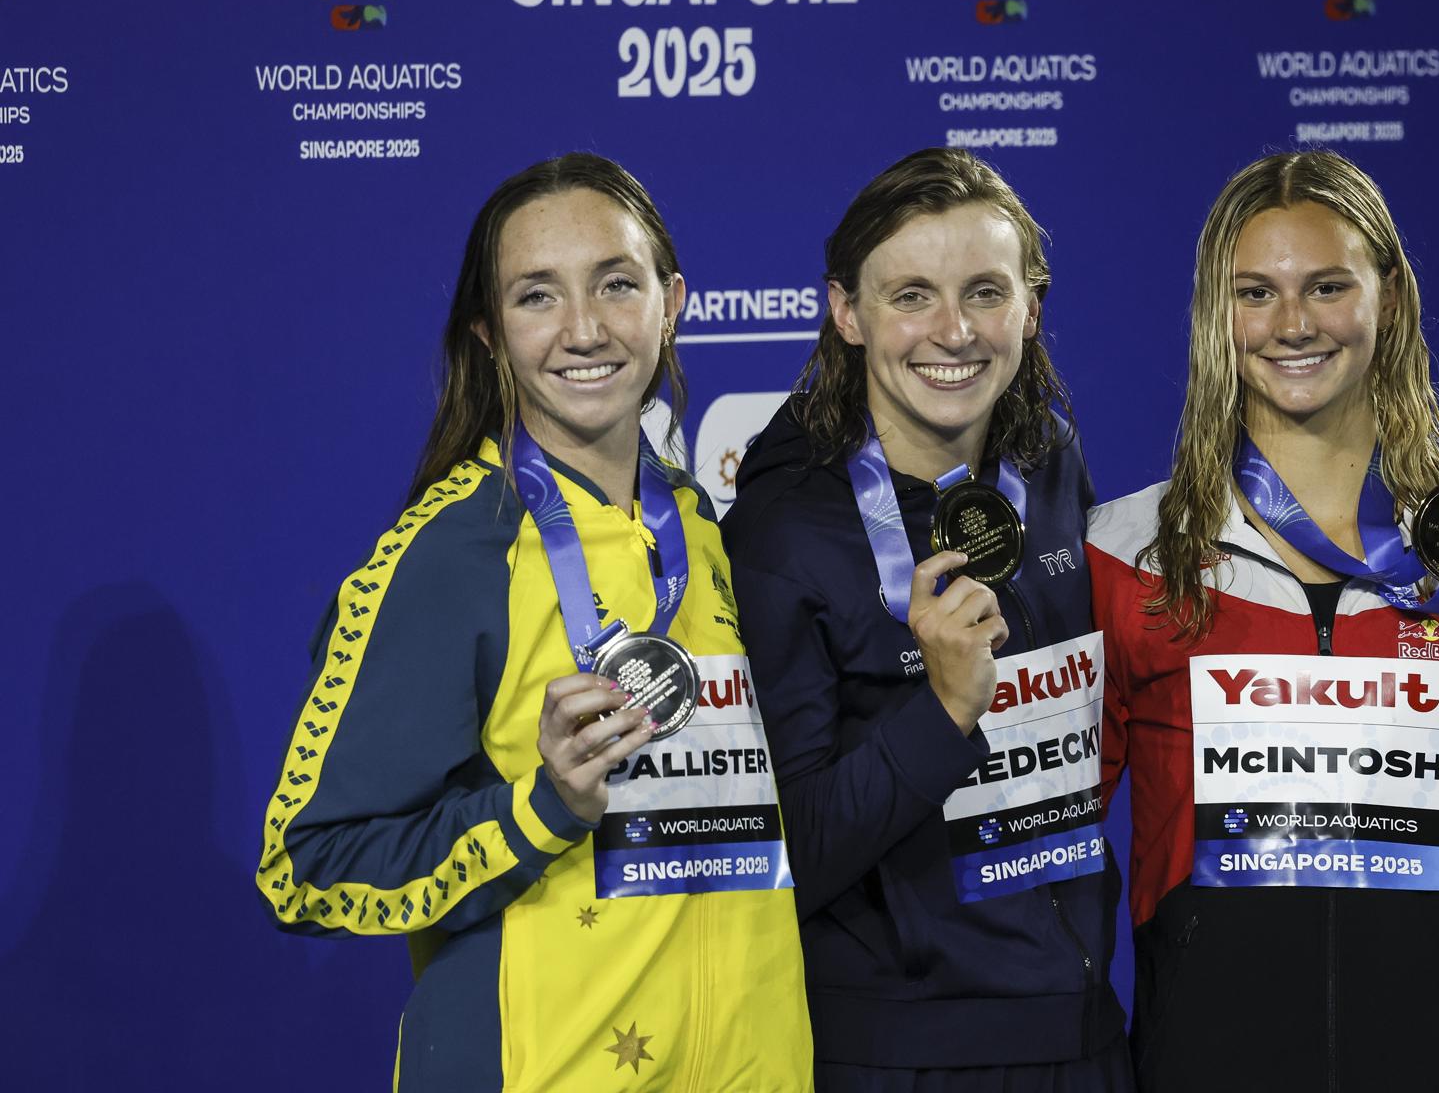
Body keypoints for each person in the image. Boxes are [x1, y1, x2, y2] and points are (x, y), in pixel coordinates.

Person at [1088, 151, 1439, 1091]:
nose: (1294, 324)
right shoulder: (1129, 553)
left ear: (1390, 296)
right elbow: (1038, 852)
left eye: (1329, 285)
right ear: (1216, 318)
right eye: (1255, 292)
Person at [256, 152, 811, 1090]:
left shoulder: (701, 525)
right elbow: (305, 867)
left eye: (617, 285)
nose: (585, 330)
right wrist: (539, 808)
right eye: (537, 297)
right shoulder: (453, 554)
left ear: (672, 303)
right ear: (488, 333)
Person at [721, 148, 1130, 1091]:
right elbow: (790, 853)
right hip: (899, 1055)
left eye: (985, 292)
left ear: (1030, 306)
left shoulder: (1050, 461)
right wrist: (942, 712)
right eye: (911, 296)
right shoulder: (785, 530)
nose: (953, 332)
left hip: (1079, 1033)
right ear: (847, 314)